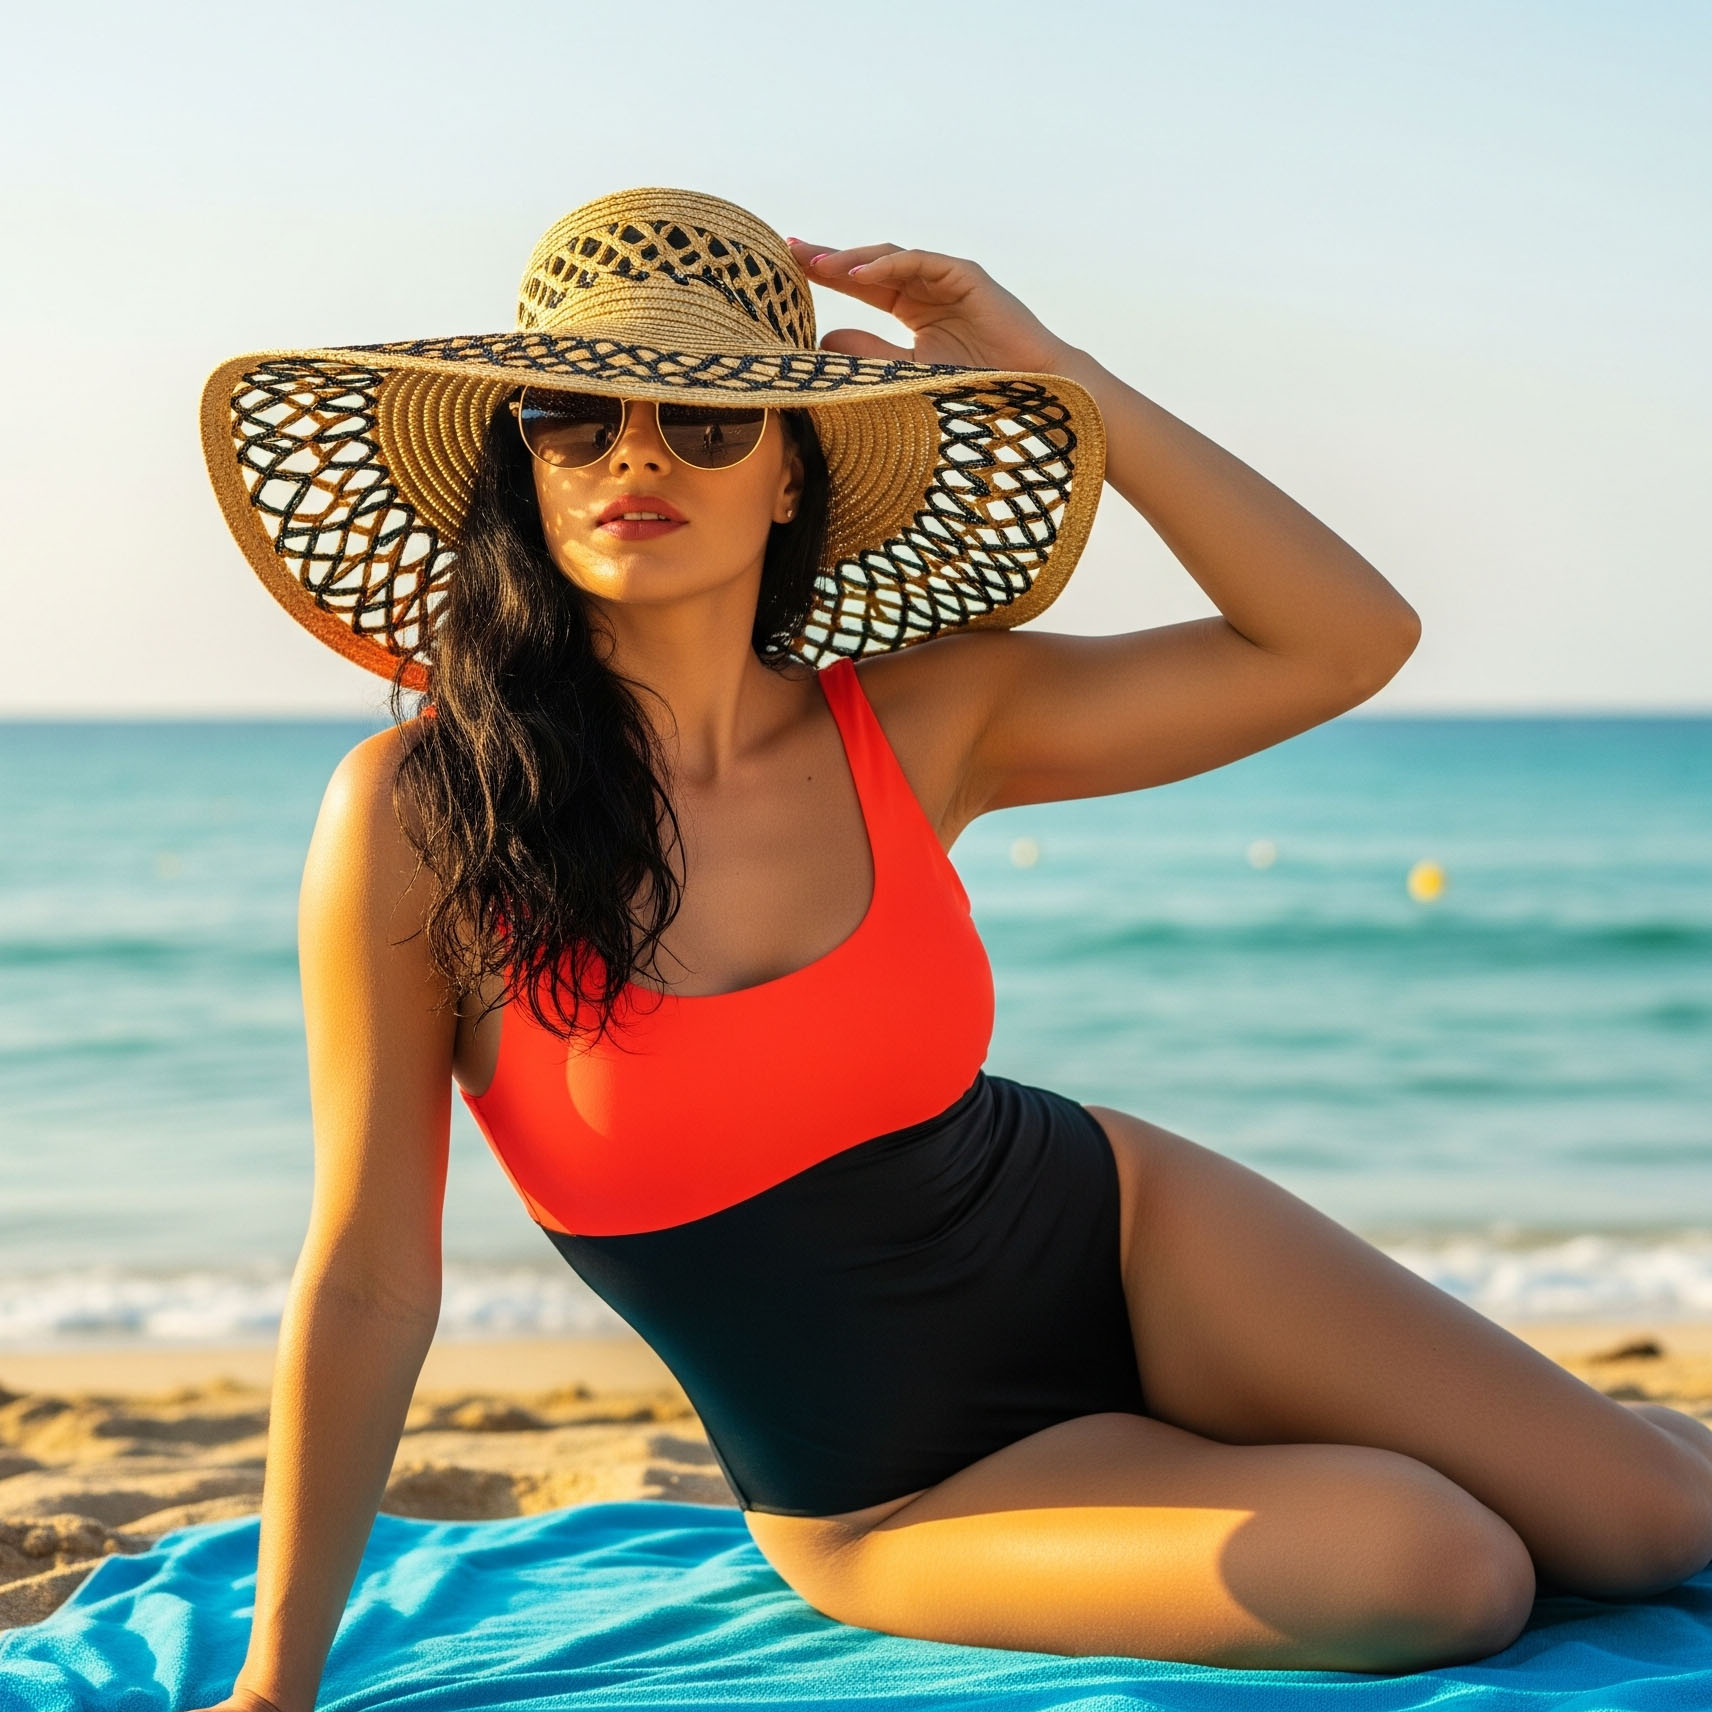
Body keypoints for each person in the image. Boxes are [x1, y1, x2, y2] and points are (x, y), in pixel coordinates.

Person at [192, 187, 1712, 1710]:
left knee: (1658, 1523)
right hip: (885, 1491)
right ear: (523, 467)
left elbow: (1341, 640)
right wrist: (274, 1687)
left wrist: (1060, 373)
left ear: (793, 476)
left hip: (1128, 1235)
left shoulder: (923, 720)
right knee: (1443, 1571)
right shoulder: (420, 813)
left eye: (711, 419)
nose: (635, 452)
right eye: (572, 415)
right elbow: (373, 1278)